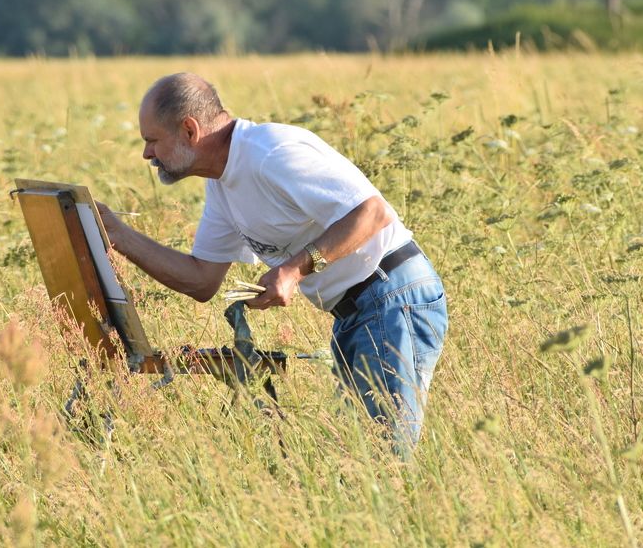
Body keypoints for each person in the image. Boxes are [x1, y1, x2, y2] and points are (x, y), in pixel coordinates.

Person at [96, 72, 448, 451]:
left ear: (189, 130)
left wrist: (293, 270)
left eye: (151, 141)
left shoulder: (270, 153)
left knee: (386, 459)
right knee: (361, 463)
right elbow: (201, 280)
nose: (147, 154)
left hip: (393, 297)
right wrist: (118, 236)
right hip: (358, 313)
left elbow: (372, 213)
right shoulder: (220, 183)